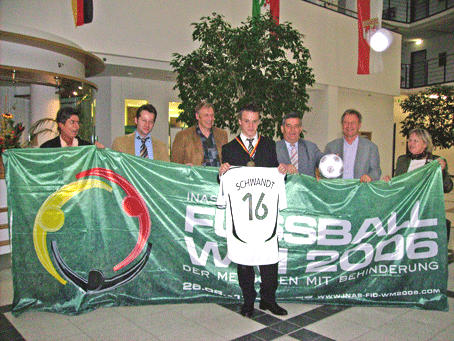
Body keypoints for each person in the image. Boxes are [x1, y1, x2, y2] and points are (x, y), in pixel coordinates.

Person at [219, 103, 287, 318]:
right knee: (244, 260)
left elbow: (276, 172)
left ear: (259, 122)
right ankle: (248, 300)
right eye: (246, 120)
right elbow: (223, 181)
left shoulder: (268, 145)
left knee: (269, 259)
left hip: (266, 216)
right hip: (242, 217)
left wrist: (282, 171)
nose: (250, 125)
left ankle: (269, 300)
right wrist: (221, 173)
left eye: (255, 121)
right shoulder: (229, 148)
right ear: (239, 121)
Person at [384, 128, 453, 240]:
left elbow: (447, 187)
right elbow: (399, 185)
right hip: (406, 210)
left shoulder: (436, 161)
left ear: (425, 144)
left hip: (426, 212)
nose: (411, 143)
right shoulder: (402, 160)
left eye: (415, 141)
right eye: (409, 140)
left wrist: (443, 170)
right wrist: (390, 183)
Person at [324, 109, 381, 182]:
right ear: (342, 125)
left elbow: (376, 170)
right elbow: (324, 173)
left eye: (353, 123)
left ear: (359, 125)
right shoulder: (331, 147)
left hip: (360, 191)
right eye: (346, 123)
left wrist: (370, 177)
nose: (349, 126)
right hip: (338, 191)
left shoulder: (371, 148)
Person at [171, 101, 228, 166]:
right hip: (194, 176)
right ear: (197, 116)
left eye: (212, 115)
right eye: (206, 115)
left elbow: (227, 160)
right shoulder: (183, 136)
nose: (210, 119)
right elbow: (174, 165)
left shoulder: (222, 135)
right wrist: (184, 169)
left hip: (218, 176)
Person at [276, 112, 324, 177]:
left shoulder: (311, 147)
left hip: (306, 187)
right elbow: (267, 172)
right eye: (289, 126)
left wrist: (331, 160)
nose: (292, 130)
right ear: (282, 129)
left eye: (296, 126)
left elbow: (323, 163)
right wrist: (282, 169)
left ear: (300, 129)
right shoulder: (273, 148)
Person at [40, 107, 104, 149]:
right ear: (61, 125)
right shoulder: (48, 148)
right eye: (72, 122)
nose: (77, 127)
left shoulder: (86, 147)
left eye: (78, 123)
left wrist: (101, 152)